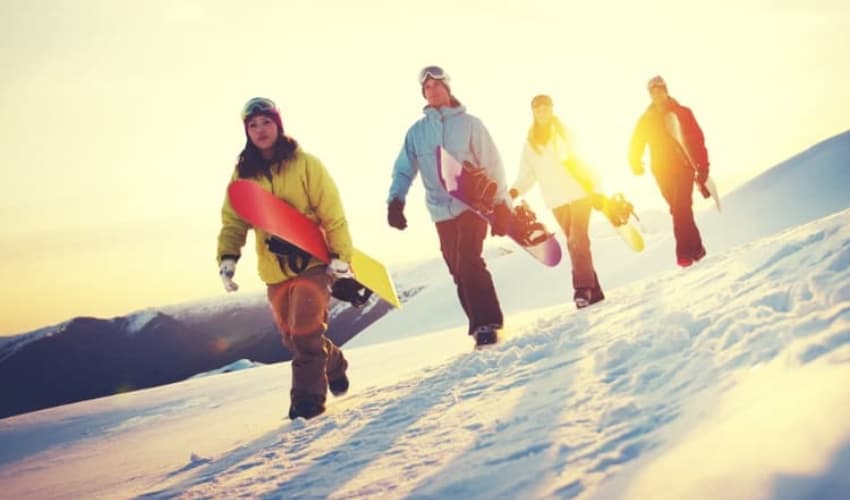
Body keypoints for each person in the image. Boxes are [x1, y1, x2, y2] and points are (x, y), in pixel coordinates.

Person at [217, 97, 353, 420]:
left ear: (278, 125)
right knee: (294, 338)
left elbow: (332, 212)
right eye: (253, 125)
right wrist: (228, 257)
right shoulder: (243, 174)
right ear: (246, 131)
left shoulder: (305, 164)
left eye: (266, 122)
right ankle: (333, 361)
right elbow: (233, 220)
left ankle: (307, 403)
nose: (260, 130)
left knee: (306, 332)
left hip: (312, 263)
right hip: (274, 270)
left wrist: (340, 257)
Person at [387, 65, 512, 346]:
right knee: (457, 268)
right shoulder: (417, 133)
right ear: (423, 93)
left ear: (448, 88)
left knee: (469, 260)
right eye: (428, 88)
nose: (434, 91)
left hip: (473, 204)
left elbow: (492, 163)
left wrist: (502, 204)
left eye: (438, 86)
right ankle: (479, 322)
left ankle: (487, 323)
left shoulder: (470, 124)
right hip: (440, 210)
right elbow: (404, 170)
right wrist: (396, 201)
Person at [509, 94, 605, 309]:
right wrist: (514, 191)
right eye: (537, 107)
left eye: (546, 106)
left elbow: (586, 161)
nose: (542, 110)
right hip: (556, 200)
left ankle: (581, 288)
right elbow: (527, 174)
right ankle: (594, 290)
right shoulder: (530, 144)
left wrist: (597, 189)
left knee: (577, 238)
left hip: (580, 194)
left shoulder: (565, 134)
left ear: (552, 109)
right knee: (574, 241)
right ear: (533, 111)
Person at [628, 75, 709, 267]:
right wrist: (635, 162)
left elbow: (698, 139)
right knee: (678, 210)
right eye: (653, 92)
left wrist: (703, 167)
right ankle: (697, 249)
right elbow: (636, 143)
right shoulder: (645, 119)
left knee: (681, 207)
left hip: (684, 166)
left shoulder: (683, 112)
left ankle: (683, 255)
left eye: (660, 90)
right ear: (650, 94)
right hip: (661, 170)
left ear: (666, 90)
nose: (657, 94)